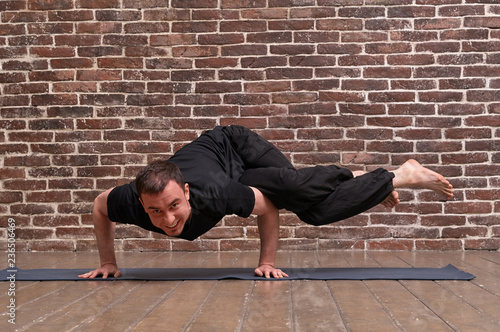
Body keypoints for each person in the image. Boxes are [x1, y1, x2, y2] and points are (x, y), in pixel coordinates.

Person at [79, 125, 453, 279]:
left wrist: (267, 263)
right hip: (225, 172)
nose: (168, 219)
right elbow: (99, 205)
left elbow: (268, 207)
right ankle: (379, 181)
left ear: (187, 192)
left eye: (174, 205)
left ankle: (399, 174)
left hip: (238, 148)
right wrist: (108, 263)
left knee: (297, 192)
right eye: (156, 211)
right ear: (142, 203)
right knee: (318, 211)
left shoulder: (218, 193)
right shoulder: (131, 198)